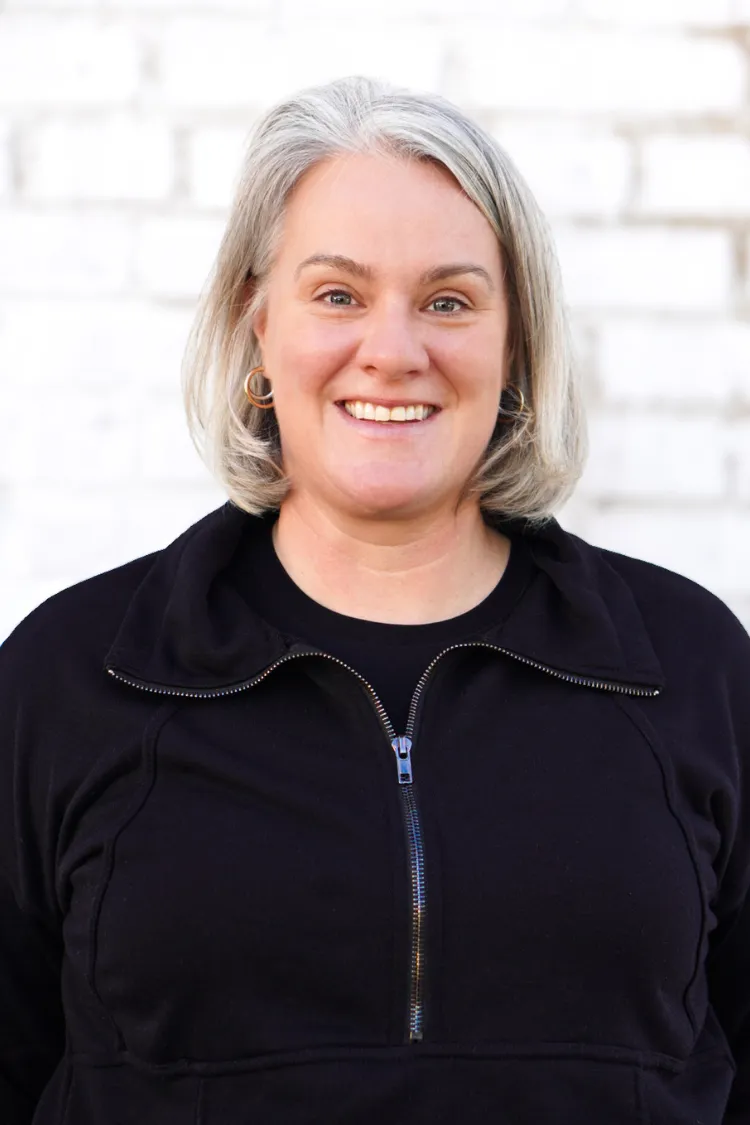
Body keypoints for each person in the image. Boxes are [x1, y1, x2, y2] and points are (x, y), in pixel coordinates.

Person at [1, 75, 749, 1125]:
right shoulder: (72, 676)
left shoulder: (689, 665)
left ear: (515, 346)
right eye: (338, 295)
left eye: (449, 301)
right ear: (258, 327)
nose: (393, 351)